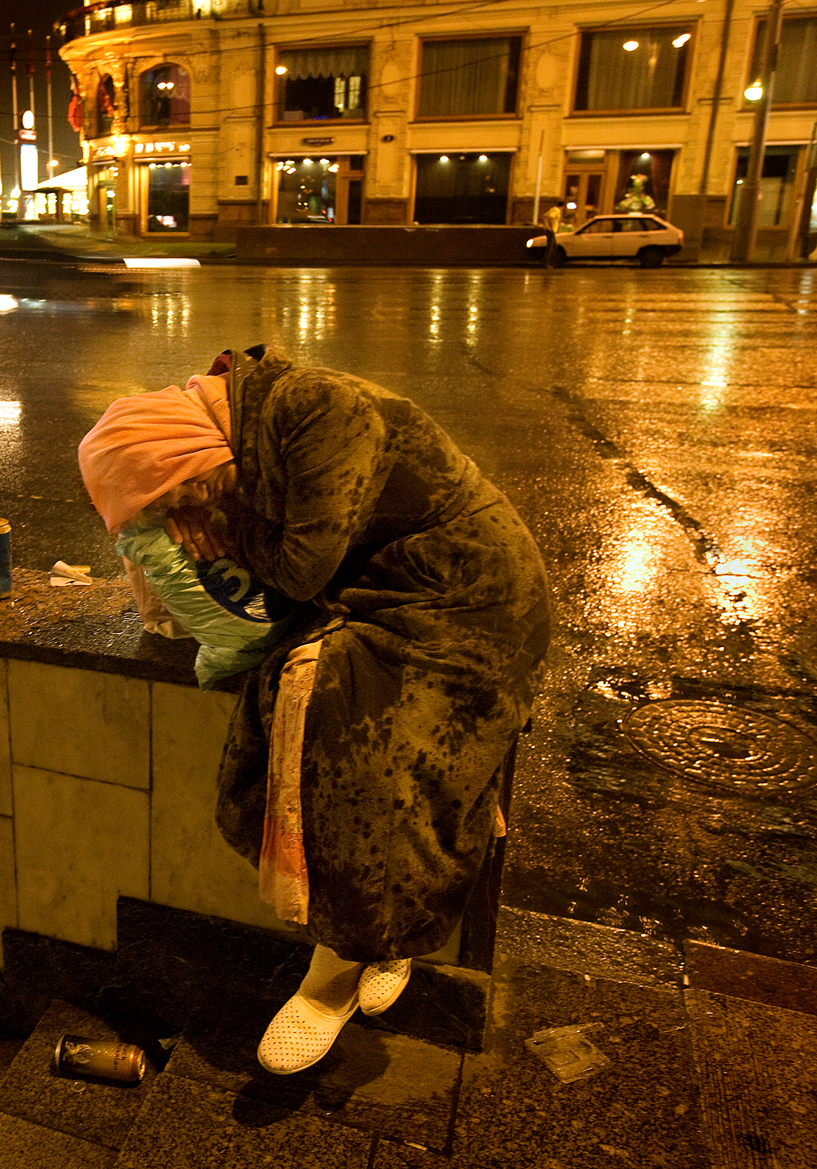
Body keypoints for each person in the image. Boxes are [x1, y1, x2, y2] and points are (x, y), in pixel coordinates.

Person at [78, 346, 551, 1074]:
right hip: (370, 597)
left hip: (468, 600)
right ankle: (379, 932)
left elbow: (302, 567)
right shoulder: (242, 432)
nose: (190, 512)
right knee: (281, 722)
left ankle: (338, 968)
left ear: (180, 450)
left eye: (179, 494)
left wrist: (223, 531)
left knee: (360, 758)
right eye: (172, 509)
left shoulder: (321, 412)